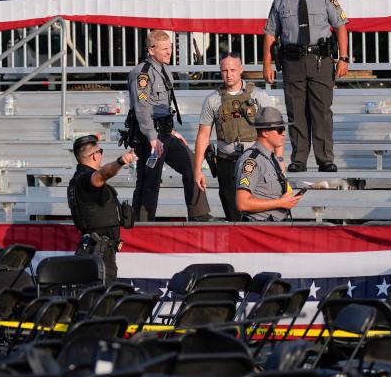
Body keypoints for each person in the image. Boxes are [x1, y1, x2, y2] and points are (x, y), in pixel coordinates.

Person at [262, 0, 350, 173]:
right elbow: (270, 34)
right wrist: (267, 64)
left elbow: (341, 26)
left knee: (321, 112)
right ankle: (299, 158)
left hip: (321, 61)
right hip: (292, 62)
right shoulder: (281, 1)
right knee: (296, 113)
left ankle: (325, 159)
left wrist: (344, 58)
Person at [128, 30, 212, 221]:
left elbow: (163, 107)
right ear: (151, 50)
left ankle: (200, 213)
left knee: (192, 164)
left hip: (165, 132)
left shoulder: (164, 68)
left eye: (170, 48)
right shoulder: (143, 74)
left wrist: (172, 131)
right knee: (150, 180)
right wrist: (152, 137)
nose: (169, 53)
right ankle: (142, 222)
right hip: (149, 136)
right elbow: (142, 109)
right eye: (164, 49)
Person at [193, 53, 280, 221]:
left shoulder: (258, 96)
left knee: (258, 210)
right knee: (232, 210)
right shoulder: (212, 100)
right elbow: (203, 135)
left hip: (255, 161)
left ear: (241, 69)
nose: (229, 74)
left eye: (233, 69)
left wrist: (280, 158)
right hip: (227, 161)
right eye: (224, 70)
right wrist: (197, 170)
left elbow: (274, 129)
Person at [67, 135, 137, 284]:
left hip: (97, 251)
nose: (101, 155)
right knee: (101, 299)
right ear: (94, 156)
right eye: (100, 151)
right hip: (98, 252)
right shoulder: (86, 179)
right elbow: (103, 174)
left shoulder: (78, 179)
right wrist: (120, 162)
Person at [235, 107, 302, 221]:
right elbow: (243, 203)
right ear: (265, 132)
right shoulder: (252, 161)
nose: (284, 134)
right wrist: (281, 202)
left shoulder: (271, 157)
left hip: (274, 226)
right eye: (280, 130)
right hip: (259, 229)